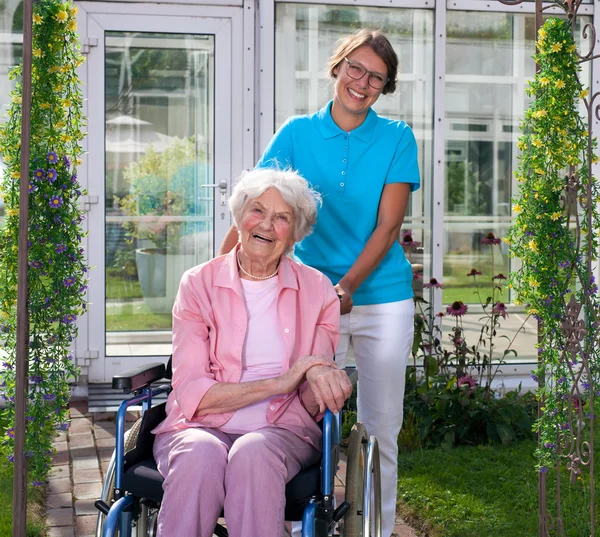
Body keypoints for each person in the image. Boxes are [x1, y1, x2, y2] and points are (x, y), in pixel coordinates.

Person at [219, 29, 420, 537]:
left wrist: (348, 286)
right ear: (337, 67)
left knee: (380, 429)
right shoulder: (296, 134)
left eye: (377, 76)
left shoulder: (397, 138)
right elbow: (254, 207)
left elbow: (388, 226)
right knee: (293, 415)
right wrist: (214, 275)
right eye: (356, 68)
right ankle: (286, 523)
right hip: (304, 299)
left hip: (380, 298)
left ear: (385, 87)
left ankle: (374, 529)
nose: (363, 82)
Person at [152, 168, 354, 537]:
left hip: (281, 432)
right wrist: (282, 381)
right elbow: (194, 395)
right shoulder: (198, 284)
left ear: (295, 233)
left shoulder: (318, 290)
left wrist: (322, 378)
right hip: (197, 427)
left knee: (253, 454)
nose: (265, 224)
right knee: (199, 455)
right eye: (257, 210)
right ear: (240, 217)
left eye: (282, 218)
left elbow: (312, 397)